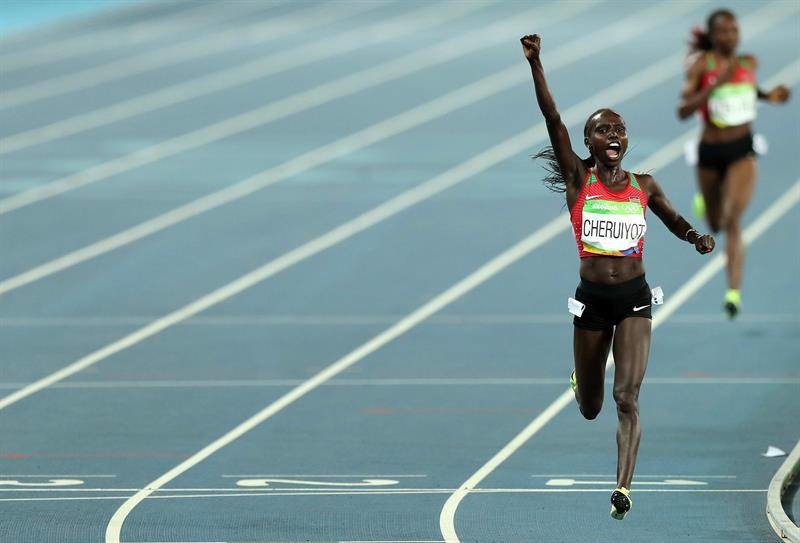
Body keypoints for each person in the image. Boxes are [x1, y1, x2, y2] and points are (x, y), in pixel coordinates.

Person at [521, 33, 715, 520]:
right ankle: (580, 381)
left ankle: (623, 488)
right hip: (591, 303)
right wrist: (536, 64)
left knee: (626, 397)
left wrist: (695, 236)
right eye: (602, 130)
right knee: (591, 406)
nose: (612, 135)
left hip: (634, 300)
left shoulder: (643, 185)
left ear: (627, 140)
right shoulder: (578, 180)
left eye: (619, 129)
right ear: (588, 142)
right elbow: (552, 119)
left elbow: (673, 219)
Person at [677, 9, 790, 318]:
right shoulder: (701, 66)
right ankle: (705, 204)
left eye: (734, 30)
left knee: (731, 219)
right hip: (710, 152)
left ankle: (733, 292)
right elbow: (683, 110)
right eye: (724, 31)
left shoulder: (747, 63)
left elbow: (748, 90)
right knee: (714, 223)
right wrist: (714, 85)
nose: (731, 36)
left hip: (742, 151)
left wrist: (770, 96)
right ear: (713, 36)